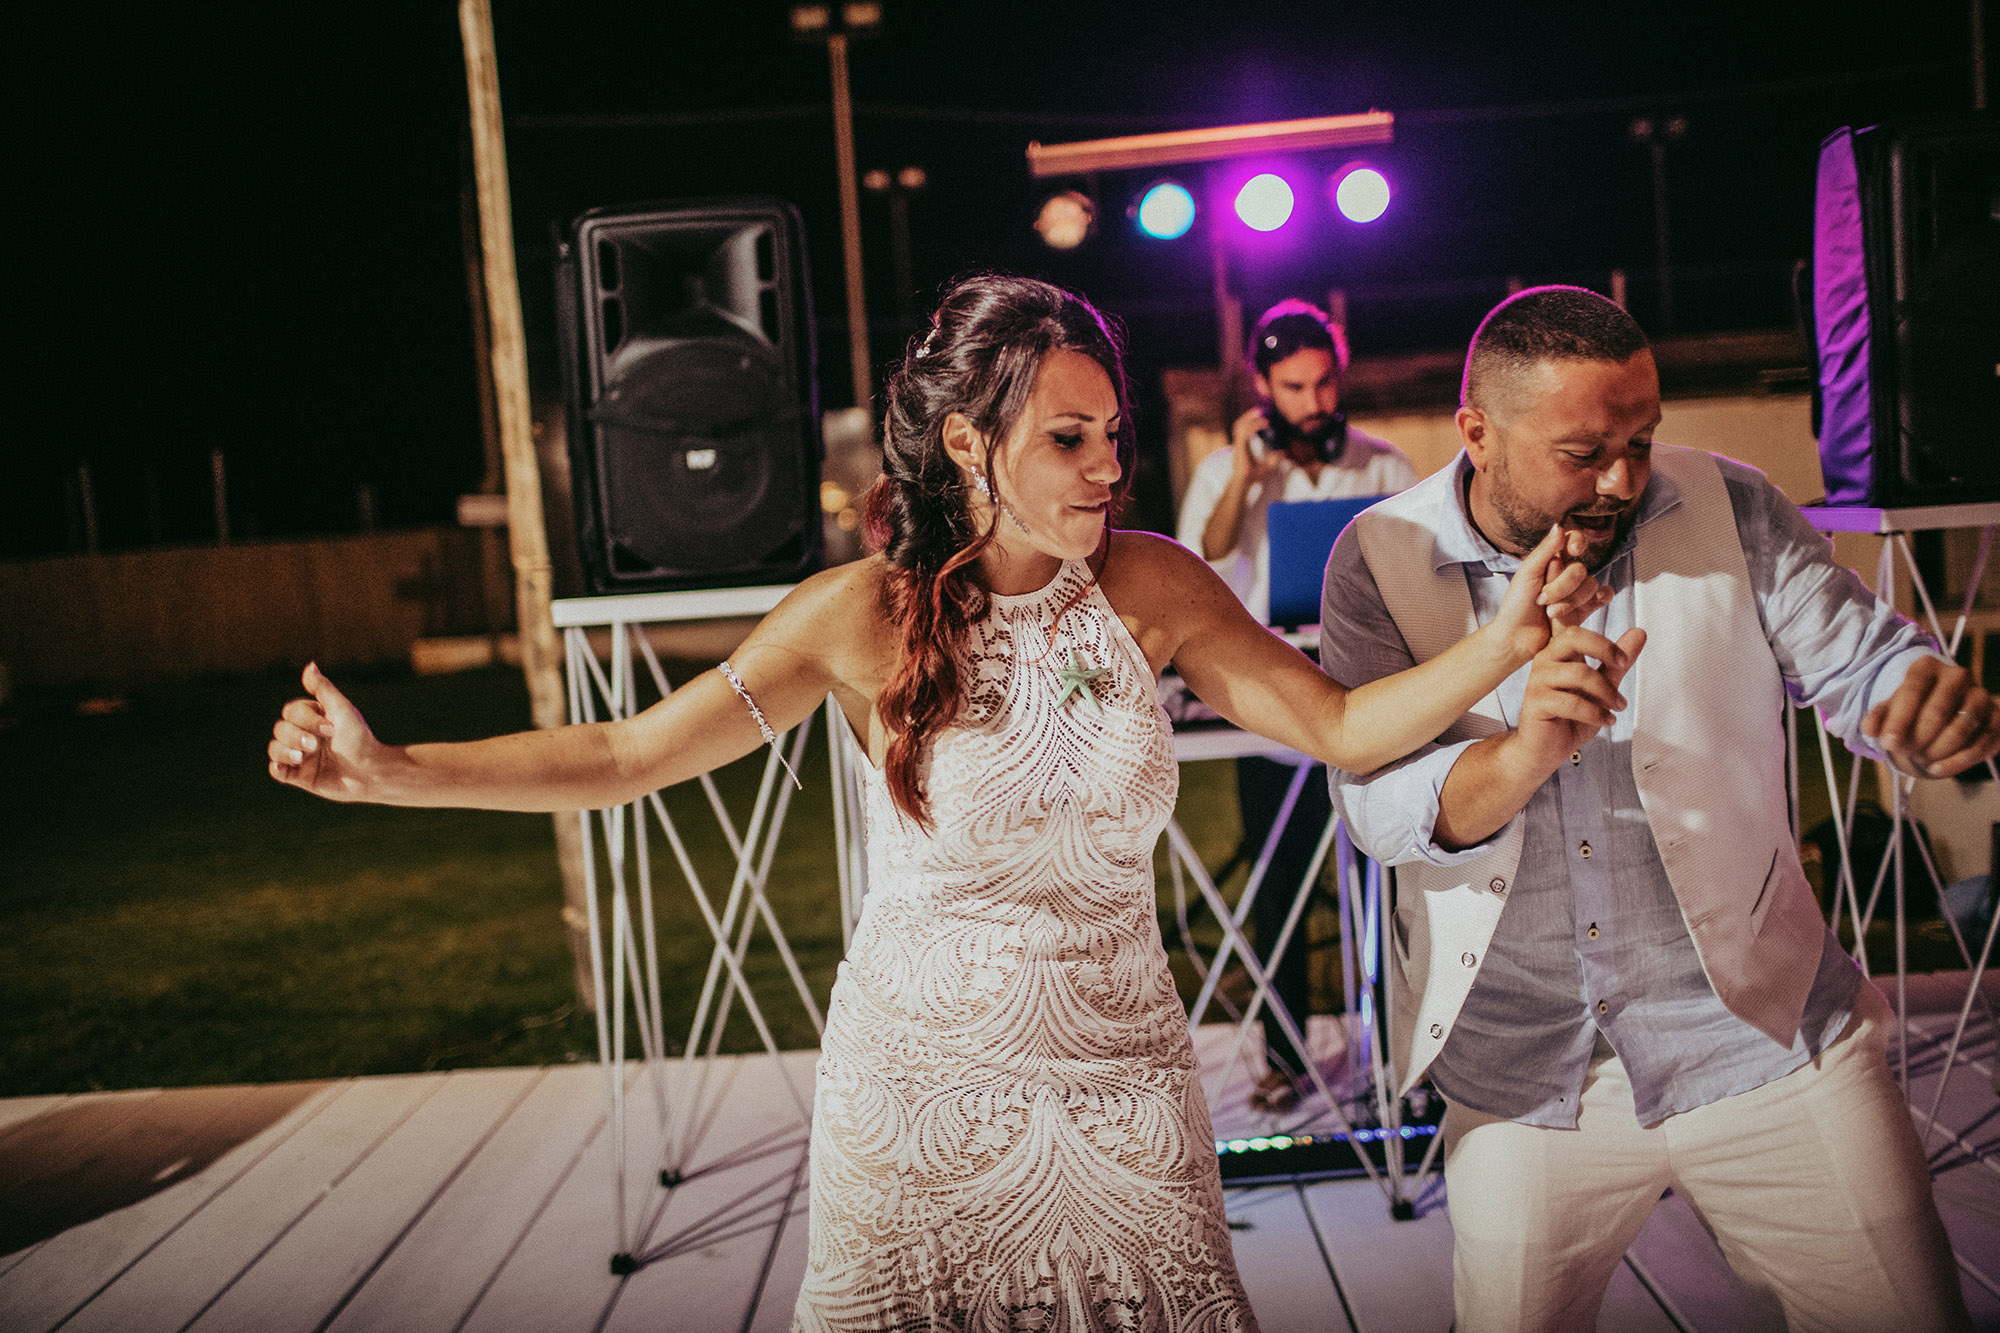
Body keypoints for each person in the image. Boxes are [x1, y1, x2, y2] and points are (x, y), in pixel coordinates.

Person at [268, 274, 1616, 1331]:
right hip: (922, 1097)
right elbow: (628, 756)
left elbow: (1332, 723)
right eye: (1069, 438)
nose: (1107, 466)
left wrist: (1503, 650)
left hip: (1126, 1083)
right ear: (972, 444)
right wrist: (393, 769)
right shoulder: (859, 617)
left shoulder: (1149, 584)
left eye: (1114, 435)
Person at [1319, 284, 1993, 1333]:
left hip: (1768, 1039)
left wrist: (1906, 701)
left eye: (1641, 437)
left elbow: (1857, 659)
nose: (1622, 476)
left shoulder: (1733, 504)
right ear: (1475, 432)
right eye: (1582, 452)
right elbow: (1376, 808)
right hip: (1522, 1071)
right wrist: (1527, 748)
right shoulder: (1375, 557)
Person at [1176, 300, 1417, 1112]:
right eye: (1294, 386)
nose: (1313, 401)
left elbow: (1422, 567)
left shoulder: (1383, 464)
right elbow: (1203, 558)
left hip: (1366, 687)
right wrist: (1246, 475)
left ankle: (1395, 1052)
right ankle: (1283, 1054)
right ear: (1263, 386)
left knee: (1383, 878)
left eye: (1323, 383)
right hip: (1268, 697)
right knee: (1276, 882)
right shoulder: (1226, 471)